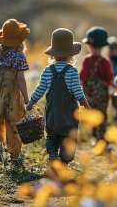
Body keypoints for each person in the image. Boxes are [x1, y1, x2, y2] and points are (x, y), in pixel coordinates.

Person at [26, 28, 90, 166]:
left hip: (52, 116)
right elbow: (77, 91)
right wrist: (85, 103)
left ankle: (53, 155)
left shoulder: (47, 71)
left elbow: (40, 89)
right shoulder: (72, 71)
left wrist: (31, 102)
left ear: (52, 55)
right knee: (68, 139)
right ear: (71, 55)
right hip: (69, 117)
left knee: (51, 137)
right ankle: (64, 163)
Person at [0, 19, 30, 169]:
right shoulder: (19, 57)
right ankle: (15, 156)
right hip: (13, 95)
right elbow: (20, 79)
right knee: (13, 124)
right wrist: (27, 98)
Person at [80, 26, 115, 141]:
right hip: (102, 96)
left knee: (91, 114)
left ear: (89, 45)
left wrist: (78, 89)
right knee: (102, 114)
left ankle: (95, 135)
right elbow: (109, 78)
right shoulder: (105, 61)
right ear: (104, 45)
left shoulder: (86, 60)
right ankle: (101, 136)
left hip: (89, 95)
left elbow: (82, 77)